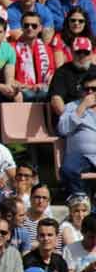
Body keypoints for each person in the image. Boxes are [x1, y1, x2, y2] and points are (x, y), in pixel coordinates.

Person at [58, 69, 96, 198]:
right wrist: (81, 108)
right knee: (67, 169)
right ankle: (80, 199)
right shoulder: (71, 107)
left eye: (94, 89)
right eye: (86, 89)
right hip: (80, 156)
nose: (90, 93)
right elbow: (63, 129)